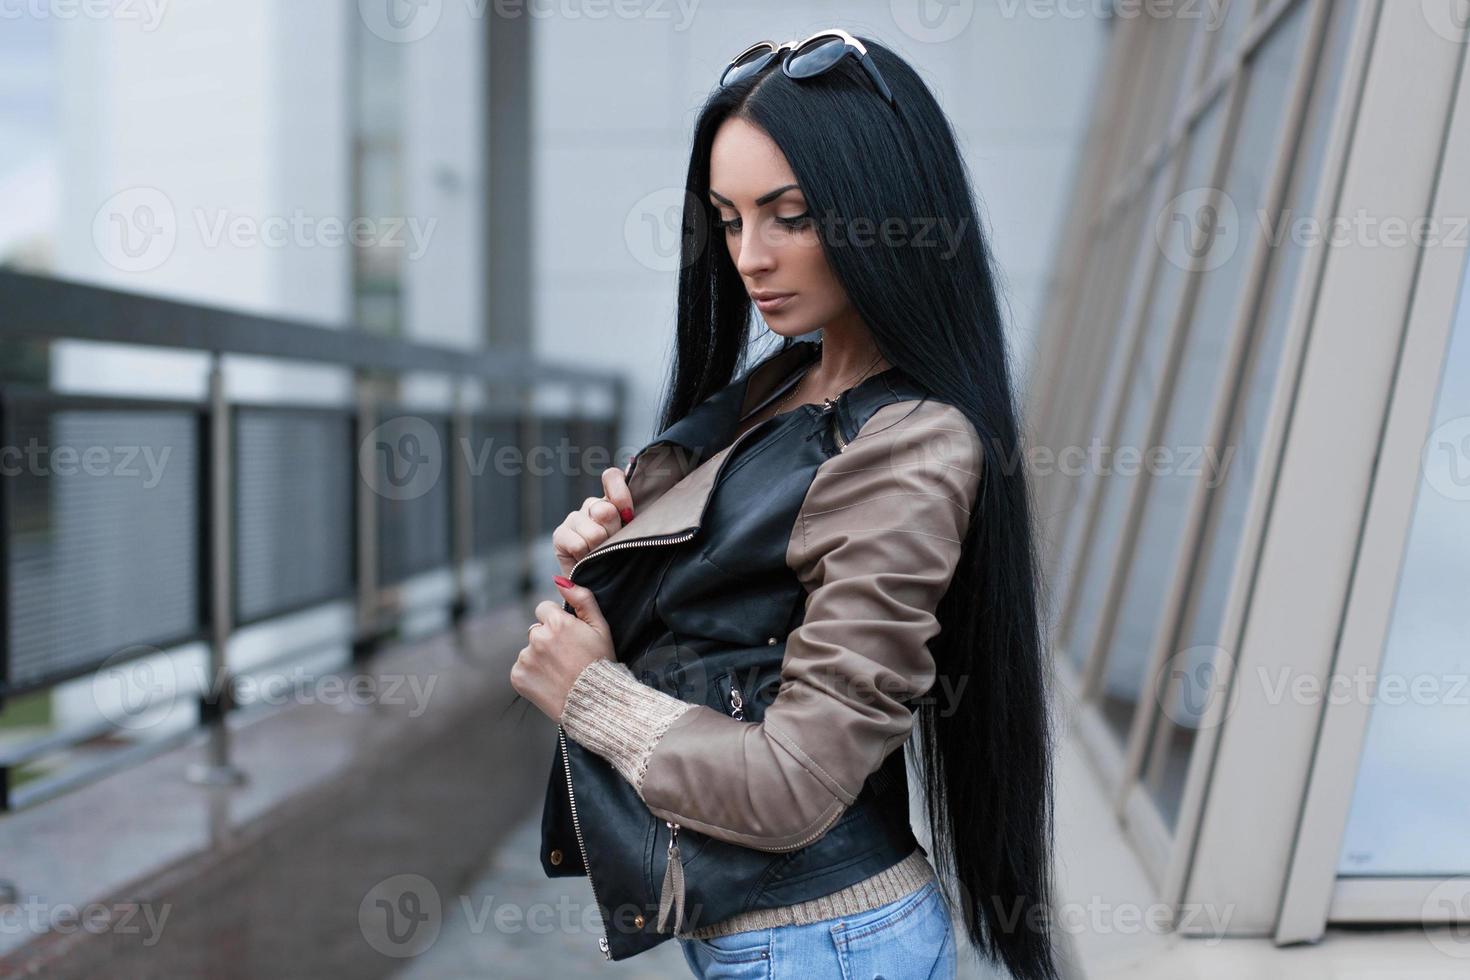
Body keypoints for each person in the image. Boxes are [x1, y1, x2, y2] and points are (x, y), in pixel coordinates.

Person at [510, 28, 1061, 980]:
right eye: (727, 220)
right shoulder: (787, 382)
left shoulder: (911, 444)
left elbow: (795, 783)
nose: (749, 258)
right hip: (782, 936)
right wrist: (623, 539)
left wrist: (591, 693)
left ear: (882, 212)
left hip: (822, 943)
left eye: (790, 215)